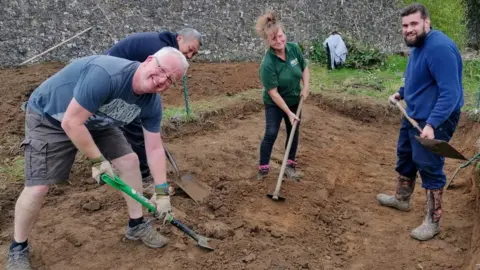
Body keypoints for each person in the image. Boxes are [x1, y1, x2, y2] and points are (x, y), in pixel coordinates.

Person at [6, 47, 189, 270]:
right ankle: (18, 248)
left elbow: (154, 148)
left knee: (129, 161)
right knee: (38, 187)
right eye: (161, 70)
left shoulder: (151, 103)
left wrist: (162, 193)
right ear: (149, 60)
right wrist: (98, 161)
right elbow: (71, 122)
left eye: (170, 79)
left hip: (98, 119)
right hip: (52, 116)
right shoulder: (107, 75)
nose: (161, 80)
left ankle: (137, 225)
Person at [377, 3, 464, 241]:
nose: (409, 29)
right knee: (405, 154)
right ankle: (402, 198)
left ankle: (433, 221)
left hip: (437, 117)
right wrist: (401, 92)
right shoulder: (418, 44)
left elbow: (451, 93)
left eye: (414, 23)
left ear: (427, 21)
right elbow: (419, 77)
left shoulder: (439, 48)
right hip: (415, 112)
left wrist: (432, 124)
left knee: (429, 164)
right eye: (405, 25)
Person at [105, 28, 203, 183]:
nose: (190, 56)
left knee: (126, 127)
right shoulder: (159, 51)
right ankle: (144, 176)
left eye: (194, 54)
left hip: (122, 80)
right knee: (135, 127)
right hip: (111, 79)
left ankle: (109, 167)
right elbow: (149, 84)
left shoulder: (164, 47)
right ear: (179, 38)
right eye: (190, 50)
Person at [254, 11, 310, 181]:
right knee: (271, 132)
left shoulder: (293, 48)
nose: (279, 41)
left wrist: (306, 86)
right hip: (275, 103)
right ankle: (263, 168)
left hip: (294, 99)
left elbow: (304, 68)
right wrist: (288, 112)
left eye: (280, 36)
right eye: (274, 39)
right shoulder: (268, 64)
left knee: (293, 131)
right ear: (268, 42)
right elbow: (273, 92)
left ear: (283, 33)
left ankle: (289, 166)